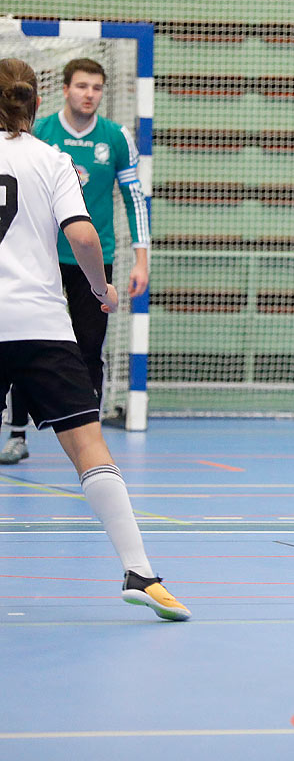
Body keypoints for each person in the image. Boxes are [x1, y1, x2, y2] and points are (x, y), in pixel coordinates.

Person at [0, 57, 188, 621]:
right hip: (42, 324)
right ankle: (140, 572)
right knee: (90, 451)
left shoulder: (78, 147)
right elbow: (82, 233)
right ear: (38, 104)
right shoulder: (52, 159)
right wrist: (99, 285)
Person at [3, 57, 149, 463]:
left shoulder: (116, 137)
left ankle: (90, 434)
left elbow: (135, 198)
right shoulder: (41, 134)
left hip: (95, 256)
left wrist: (142, 256)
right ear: (64, 90)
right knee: (24, 340)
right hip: (43, 257)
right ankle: (18, 433)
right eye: (82, 86)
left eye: (97, 87)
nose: (90, 94)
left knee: (88, 346)